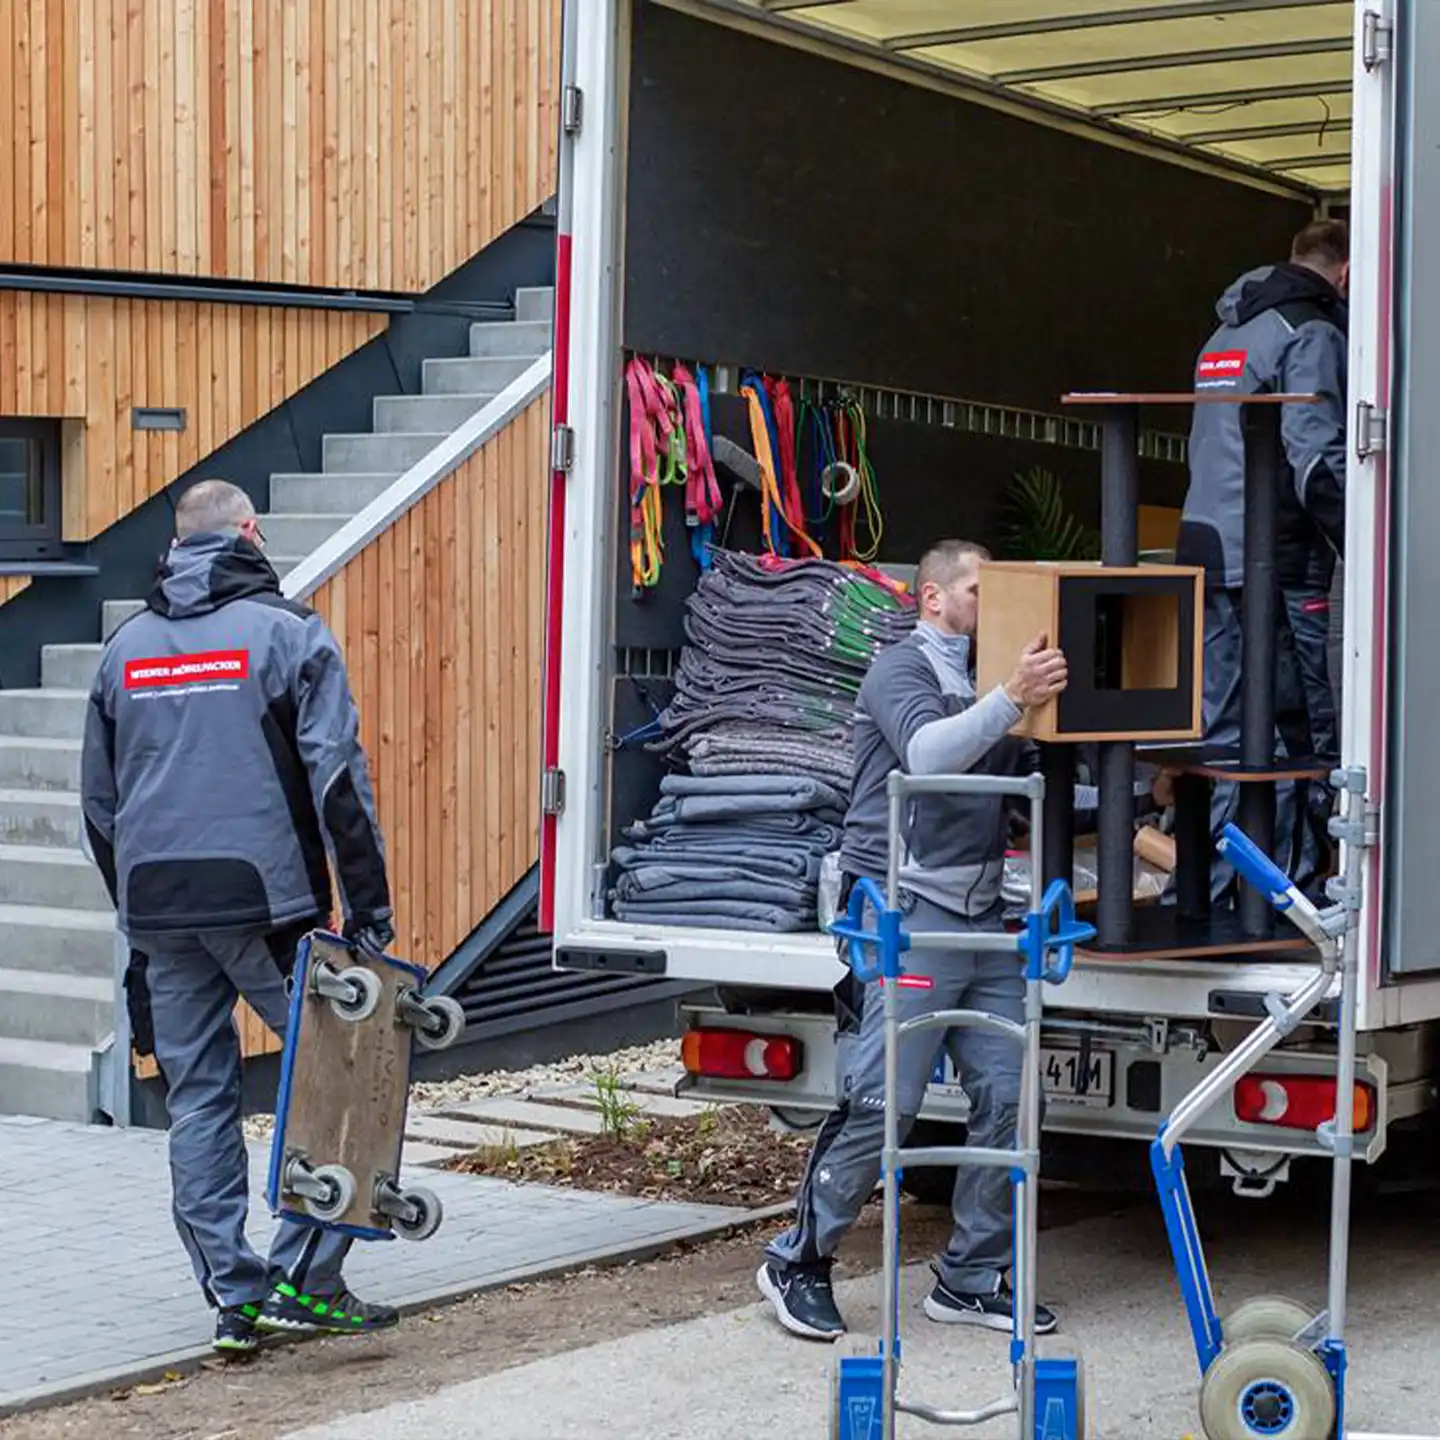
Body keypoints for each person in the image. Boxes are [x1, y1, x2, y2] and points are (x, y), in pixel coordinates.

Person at [80, 479, 399, 1354]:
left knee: (198, 1103)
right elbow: (338, 782)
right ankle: (306, 1278)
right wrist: (368, 908)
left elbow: (98, 808)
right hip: (266, 906)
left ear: (177, 545)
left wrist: (138, 902)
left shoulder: (124, 649)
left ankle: (234, 1296)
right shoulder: (288, 632)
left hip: (159, 913)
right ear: (250, 533)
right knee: (347, 1071)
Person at [757, 539, 1068, 1341]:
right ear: (933, 597)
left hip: (981, 920)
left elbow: (1022, 782)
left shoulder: (990, 680)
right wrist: (1011, 697)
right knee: (881, 1100)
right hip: (904, 914)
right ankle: (798, 1260)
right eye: (976, 589)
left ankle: (970, 1276)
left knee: (1012, 1097)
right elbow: (929, 754)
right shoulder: (901, 669)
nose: (988, 603)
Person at [1176, 218, 1349, 898]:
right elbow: (1319, 462)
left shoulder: (1227, 332)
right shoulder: (1310, 330)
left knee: (1224, 733)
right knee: (1294, 728)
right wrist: (1372, 552)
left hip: (1206, 548)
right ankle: (1285, 897)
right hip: (1276, 559)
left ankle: (1218, 890)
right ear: (1345, 275)